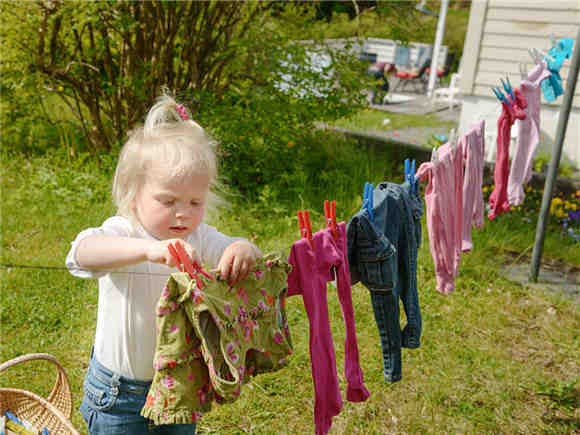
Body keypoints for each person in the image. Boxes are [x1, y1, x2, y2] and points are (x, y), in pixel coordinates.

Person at [66, 93, 261, 434]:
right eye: (167, 201)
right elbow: (81, 253)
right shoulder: (124, 232)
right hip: (120, 393)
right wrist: (145, 250)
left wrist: (243, 249)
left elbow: (241, 252)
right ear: (133, 192)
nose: (183, 213)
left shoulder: (200, 237)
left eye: (195, 201)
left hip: (180, 387)